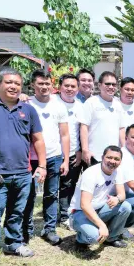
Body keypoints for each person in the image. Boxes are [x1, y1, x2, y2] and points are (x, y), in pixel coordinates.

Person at [0, 68, 47, 265]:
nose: (13, 86)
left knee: (17, 212)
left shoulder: (29, 110)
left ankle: (13, 243)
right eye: (8, 82)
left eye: (17, 83)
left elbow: (38, 140)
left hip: (23, 173)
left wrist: (42, 166)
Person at [23, 69, 69, 246]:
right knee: (29, 195)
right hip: (30, 158)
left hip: (53, 156)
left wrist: (65, 159)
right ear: (33, 85)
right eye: (40, 83)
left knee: (51, 194)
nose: (44, 87)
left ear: (52, 85)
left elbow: (64, 135)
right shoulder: (26, 103)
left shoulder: (59, 105)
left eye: (47, 83)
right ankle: (26, 230)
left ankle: (49, 229)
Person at [69, 146, 130, 249]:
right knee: (95, 238)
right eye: (109, 157)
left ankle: (112, 238)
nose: (112, 161)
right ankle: (80, 239)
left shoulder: (117, 172)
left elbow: (122, 195)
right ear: (102, 157)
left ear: (120, 161)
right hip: (79, 212)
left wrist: (117, 199)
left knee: (126, 206)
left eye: (116, 159)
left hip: (99, 209)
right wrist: (102, 225)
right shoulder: (91, 173)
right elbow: (84, 205)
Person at [55, 74, 84, 229]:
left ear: (77, 89)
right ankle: (51, 217)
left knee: (68, 186)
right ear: (60, 86)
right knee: (51, 188)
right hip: (52, 153)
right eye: (66, 85)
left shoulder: (80, 105)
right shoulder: (52, 102)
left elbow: (81, 130)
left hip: (73, 153)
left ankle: (65, 216)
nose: (70, 89)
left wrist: (78, 150)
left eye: (73, 86)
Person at [80, 71, 124, 167]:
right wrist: (85, 150)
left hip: (113, 156)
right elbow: (84, 127)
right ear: (99, 85)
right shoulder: (91, 102)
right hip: (94, 155)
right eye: (107, 84)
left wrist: (124, 149)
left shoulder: (118, 104)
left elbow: (121, 129)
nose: (111, 87)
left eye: (113, 84)